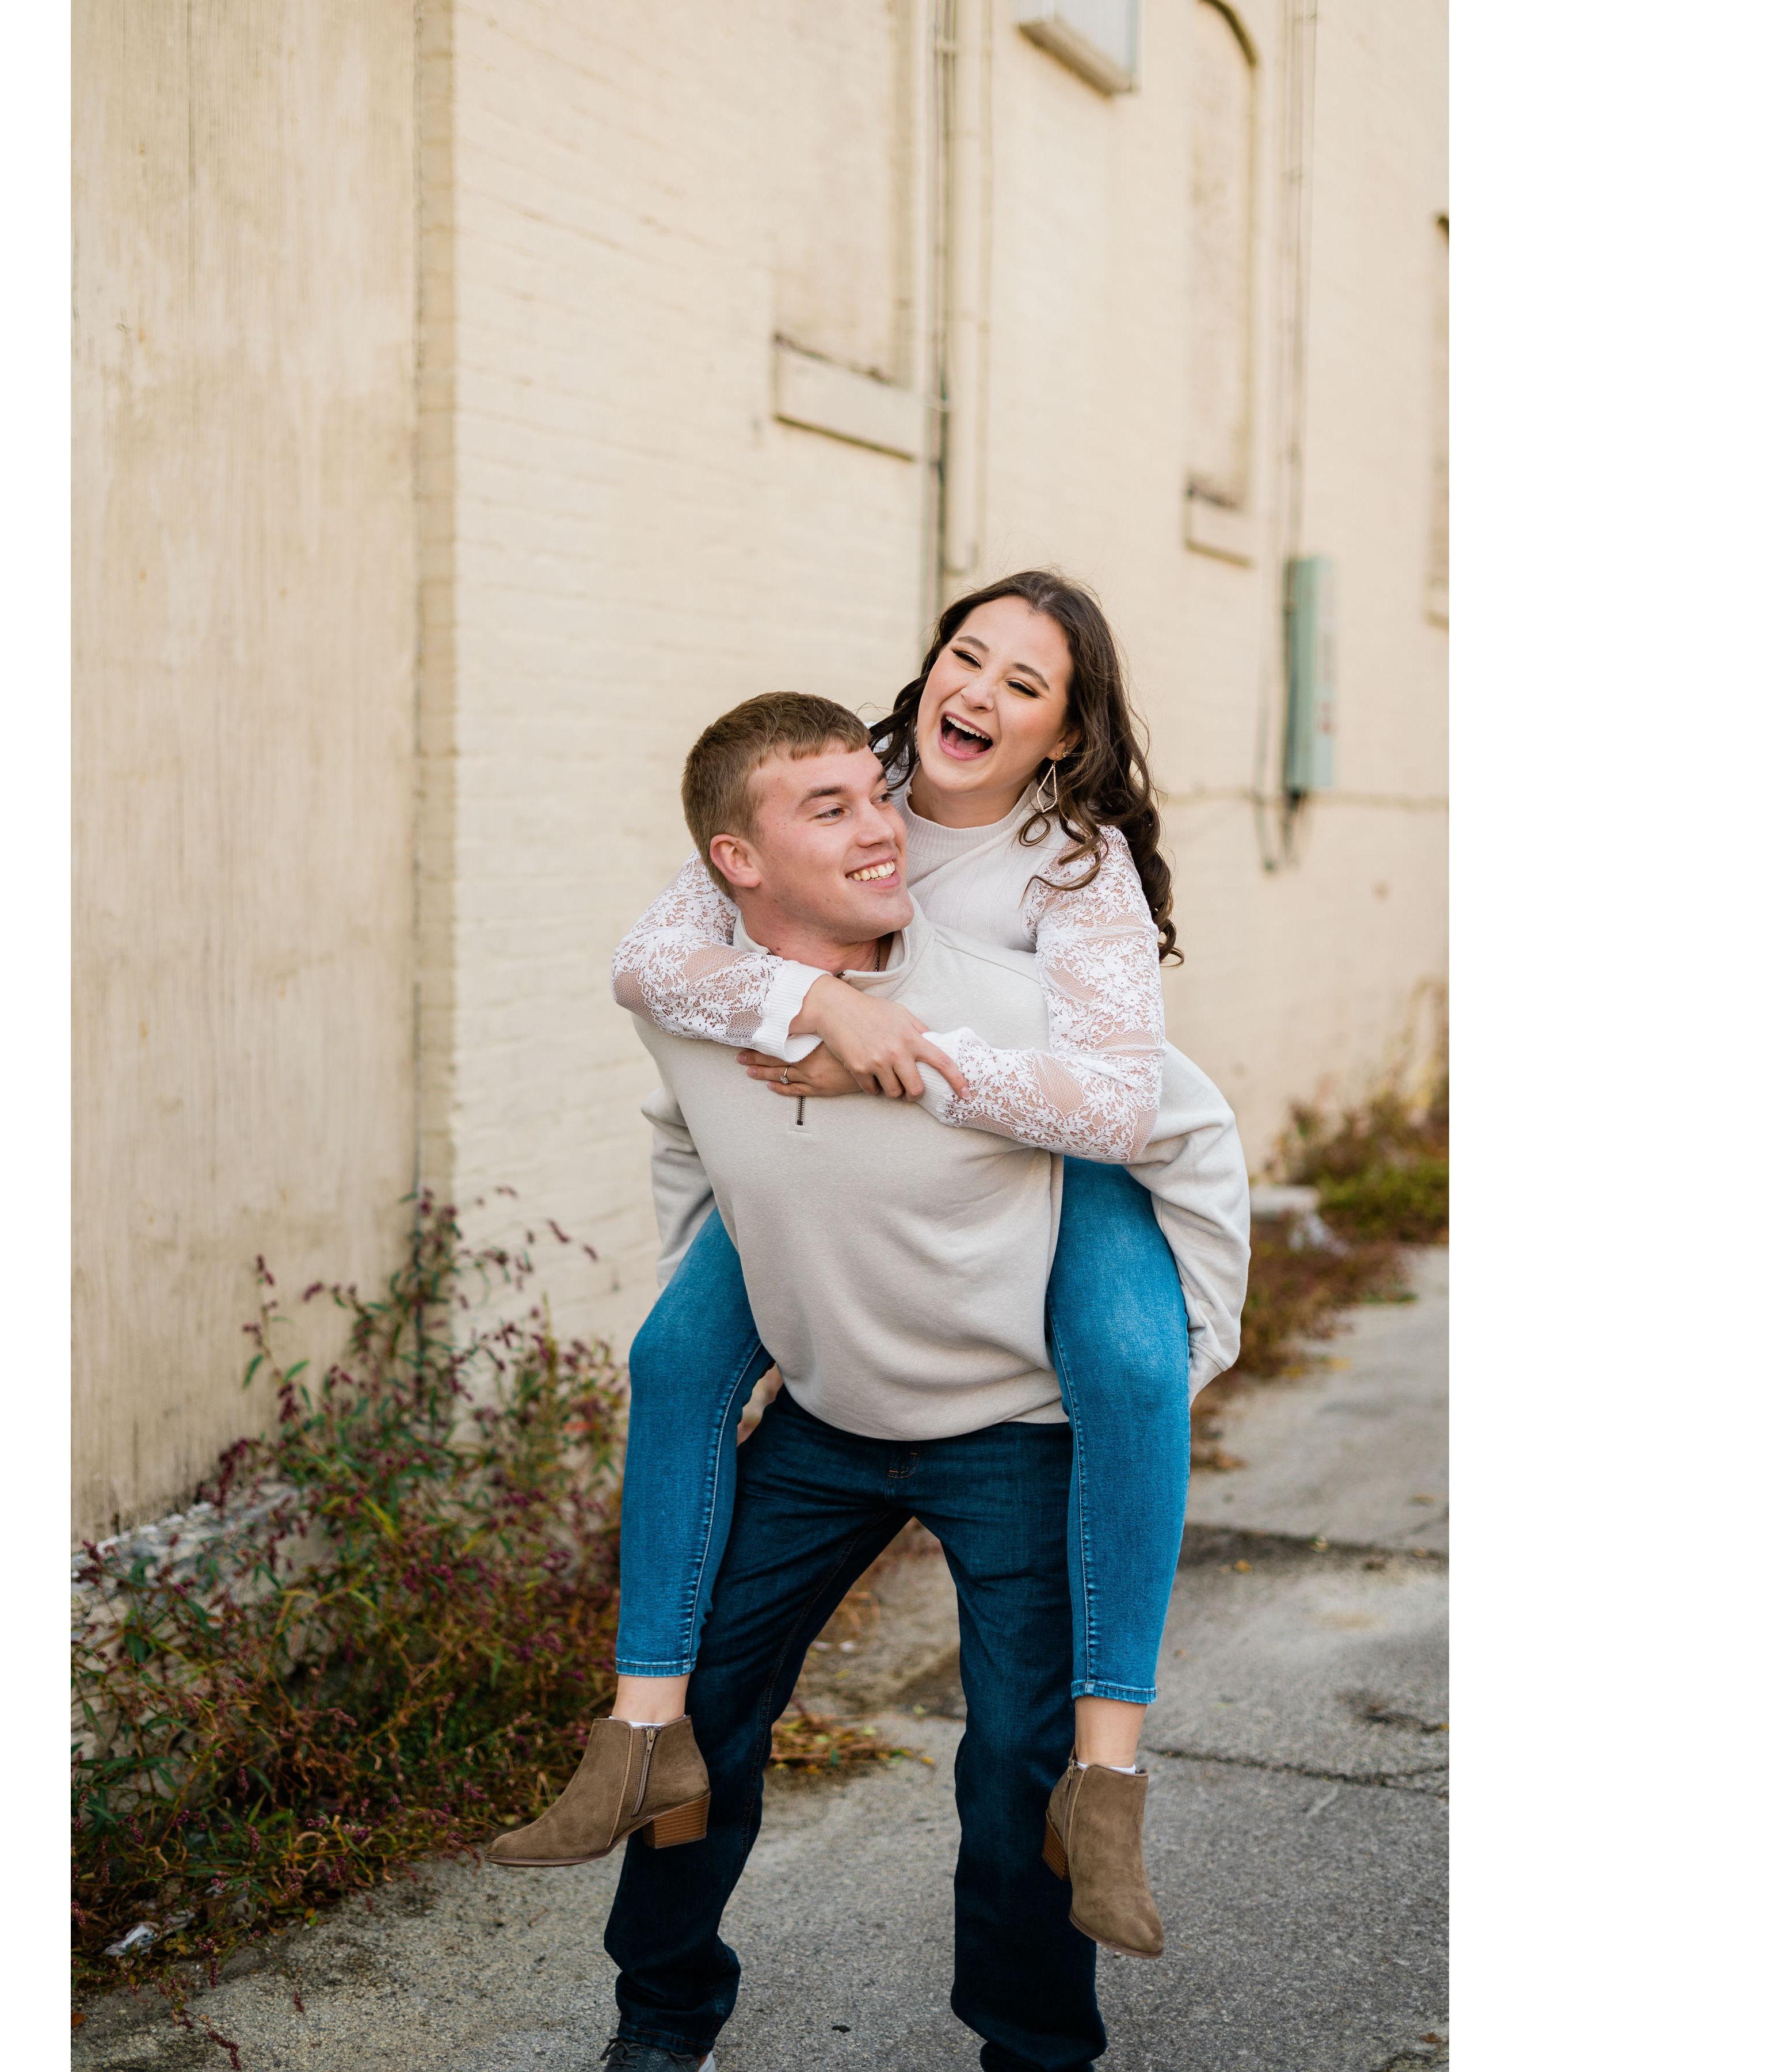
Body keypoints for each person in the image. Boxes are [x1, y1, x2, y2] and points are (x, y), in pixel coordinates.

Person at [494, 576, 1246, 1946]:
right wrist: (820, 997)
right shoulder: (857, 777)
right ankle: (641, 1730)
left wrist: (900, 1068)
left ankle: (1109, 1779)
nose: (981, 692)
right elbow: (660, 953)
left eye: (1027, 685)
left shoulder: (1076, 867)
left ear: (1064, 736)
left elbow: (1112, 1103)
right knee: (672, 1354)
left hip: (1047, 1177)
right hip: (830, 1207)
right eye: (968, 656)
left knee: (1132, 1366)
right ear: (931, 662)